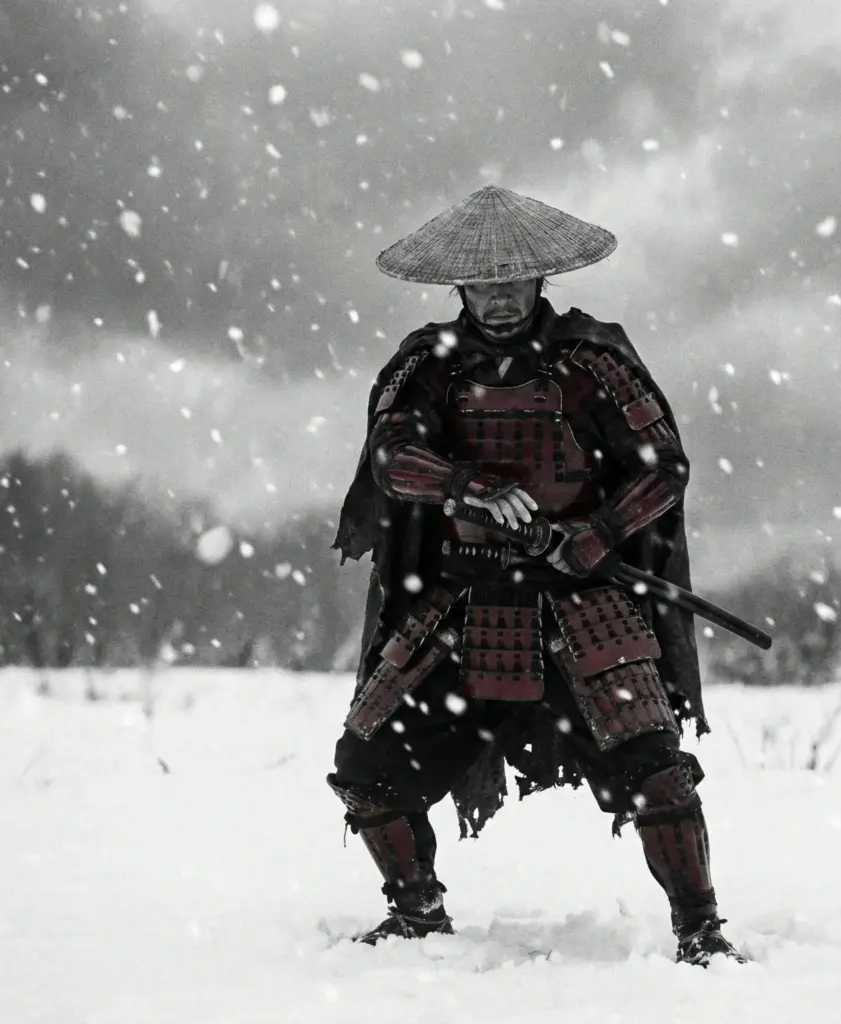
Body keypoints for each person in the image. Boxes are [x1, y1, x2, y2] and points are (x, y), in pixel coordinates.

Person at [327, 185, 745, 966]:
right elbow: (390, 457)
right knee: (365, 768)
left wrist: (601, 531)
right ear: (459, 288)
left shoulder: (593, 360)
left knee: (658, 774)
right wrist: (468, 486)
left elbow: (664, 466)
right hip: (463, 599)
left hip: (582, 602)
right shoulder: (428, 365)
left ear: (542, 280)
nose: (500, 299)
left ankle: (701, 930)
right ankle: (416, 912)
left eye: (514, 282)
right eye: (484, 285)